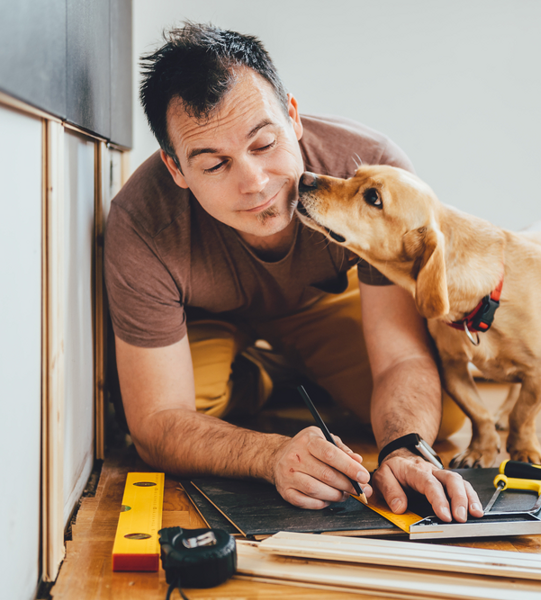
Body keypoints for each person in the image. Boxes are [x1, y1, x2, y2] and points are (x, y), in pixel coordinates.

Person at [104, 22, 483, 523]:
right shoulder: (139, 221)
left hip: (316, 302)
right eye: (215, 165)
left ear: (293, 117)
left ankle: (295, 362)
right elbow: (155, 422)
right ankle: (263, 376)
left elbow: (398, 358)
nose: (255, 183)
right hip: (205, 316)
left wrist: (406, 446)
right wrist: (270, 455)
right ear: (176, 169)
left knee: (446, 414)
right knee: (193, 411)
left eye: (264, 145)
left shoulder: (373, 170)